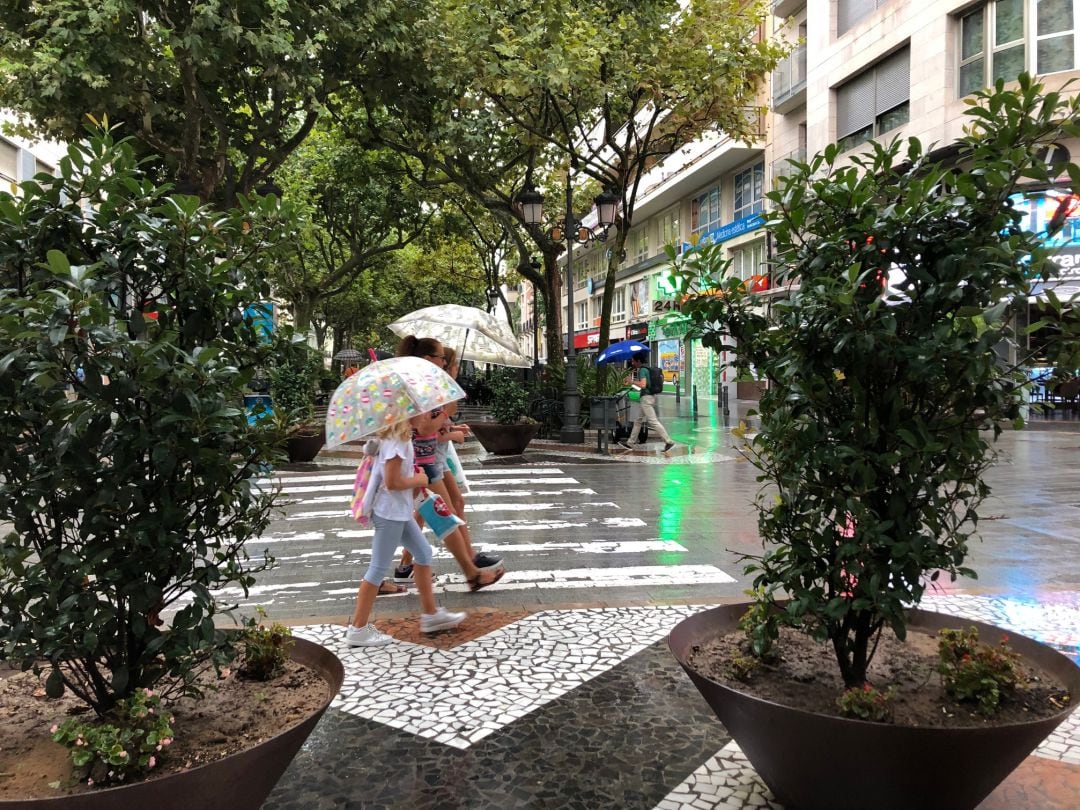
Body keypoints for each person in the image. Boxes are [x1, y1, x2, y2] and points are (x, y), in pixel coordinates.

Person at [392, 335, 504, 590]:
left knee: (435, 514)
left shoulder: (422, 384)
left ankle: (403, 570)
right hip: (422, 462)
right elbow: (421, 428)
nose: (444, 361)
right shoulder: (416, 386)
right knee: (447, 515)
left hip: (424, 460)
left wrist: (446, 417)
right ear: (427, 359)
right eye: (441, 356)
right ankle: (471, 574)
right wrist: (445, 413)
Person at [344, 413, 466, 647]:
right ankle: (358, 629)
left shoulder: (398, 438)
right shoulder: (397, 442)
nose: (426, 416)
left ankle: (431, 615)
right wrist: (420, 480)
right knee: (377, 569)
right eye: (420, 412)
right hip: (389, 513)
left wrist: (414, 482)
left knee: (423, 553)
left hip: (397, 511)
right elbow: (392, 482)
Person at [617, 354, 676, 453]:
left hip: (646, 399)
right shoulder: (647, 369)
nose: (632, 363)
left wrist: (632, 381)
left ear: (638, 361)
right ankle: (630, 442)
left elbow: (643, 385)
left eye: (633, 361)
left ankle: (668, 441)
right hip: (648, 397)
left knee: (653, 421)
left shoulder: (642, 370)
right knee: (638, 420)